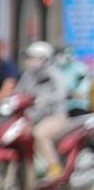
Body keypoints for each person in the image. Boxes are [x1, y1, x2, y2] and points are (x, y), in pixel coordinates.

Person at [16, 41, 70, 181]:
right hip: (31, 117)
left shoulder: (54, 74)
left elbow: (62, 93)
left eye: (34, 57)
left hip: (55, 116)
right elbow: (18, 93)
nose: (31, 61)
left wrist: (44, 99)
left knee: (39, 134)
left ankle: (54, 167)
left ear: (44, 58)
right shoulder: (27, 76)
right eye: (29, 57)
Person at [53, 44, 90, 114]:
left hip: (77, 106)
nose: (59, 58)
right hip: (59, 107)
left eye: (61, 55)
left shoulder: (79, 68)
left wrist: (71, 94)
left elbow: (83, 89)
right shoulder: (54, 69)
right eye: (58, 55)